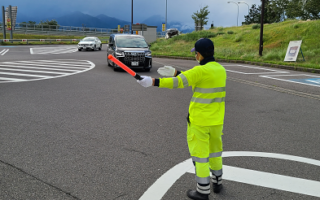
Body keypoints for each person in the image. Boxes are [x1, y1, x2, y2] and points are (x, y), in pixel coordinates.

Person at [137, 38, 226, 200]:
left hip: (199, 122)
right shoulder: (220, 70)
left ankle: (203, 191)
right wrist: (177, 72)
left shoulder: (199, 71)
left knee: (200, 157)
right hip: (217, 121)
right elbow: (197, 79)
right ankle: (217, 183)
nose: (195, 56)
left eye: (196, 54)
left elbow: (178, 83)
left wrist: (152, 82)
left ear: (199, 54)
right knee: (215, 153)